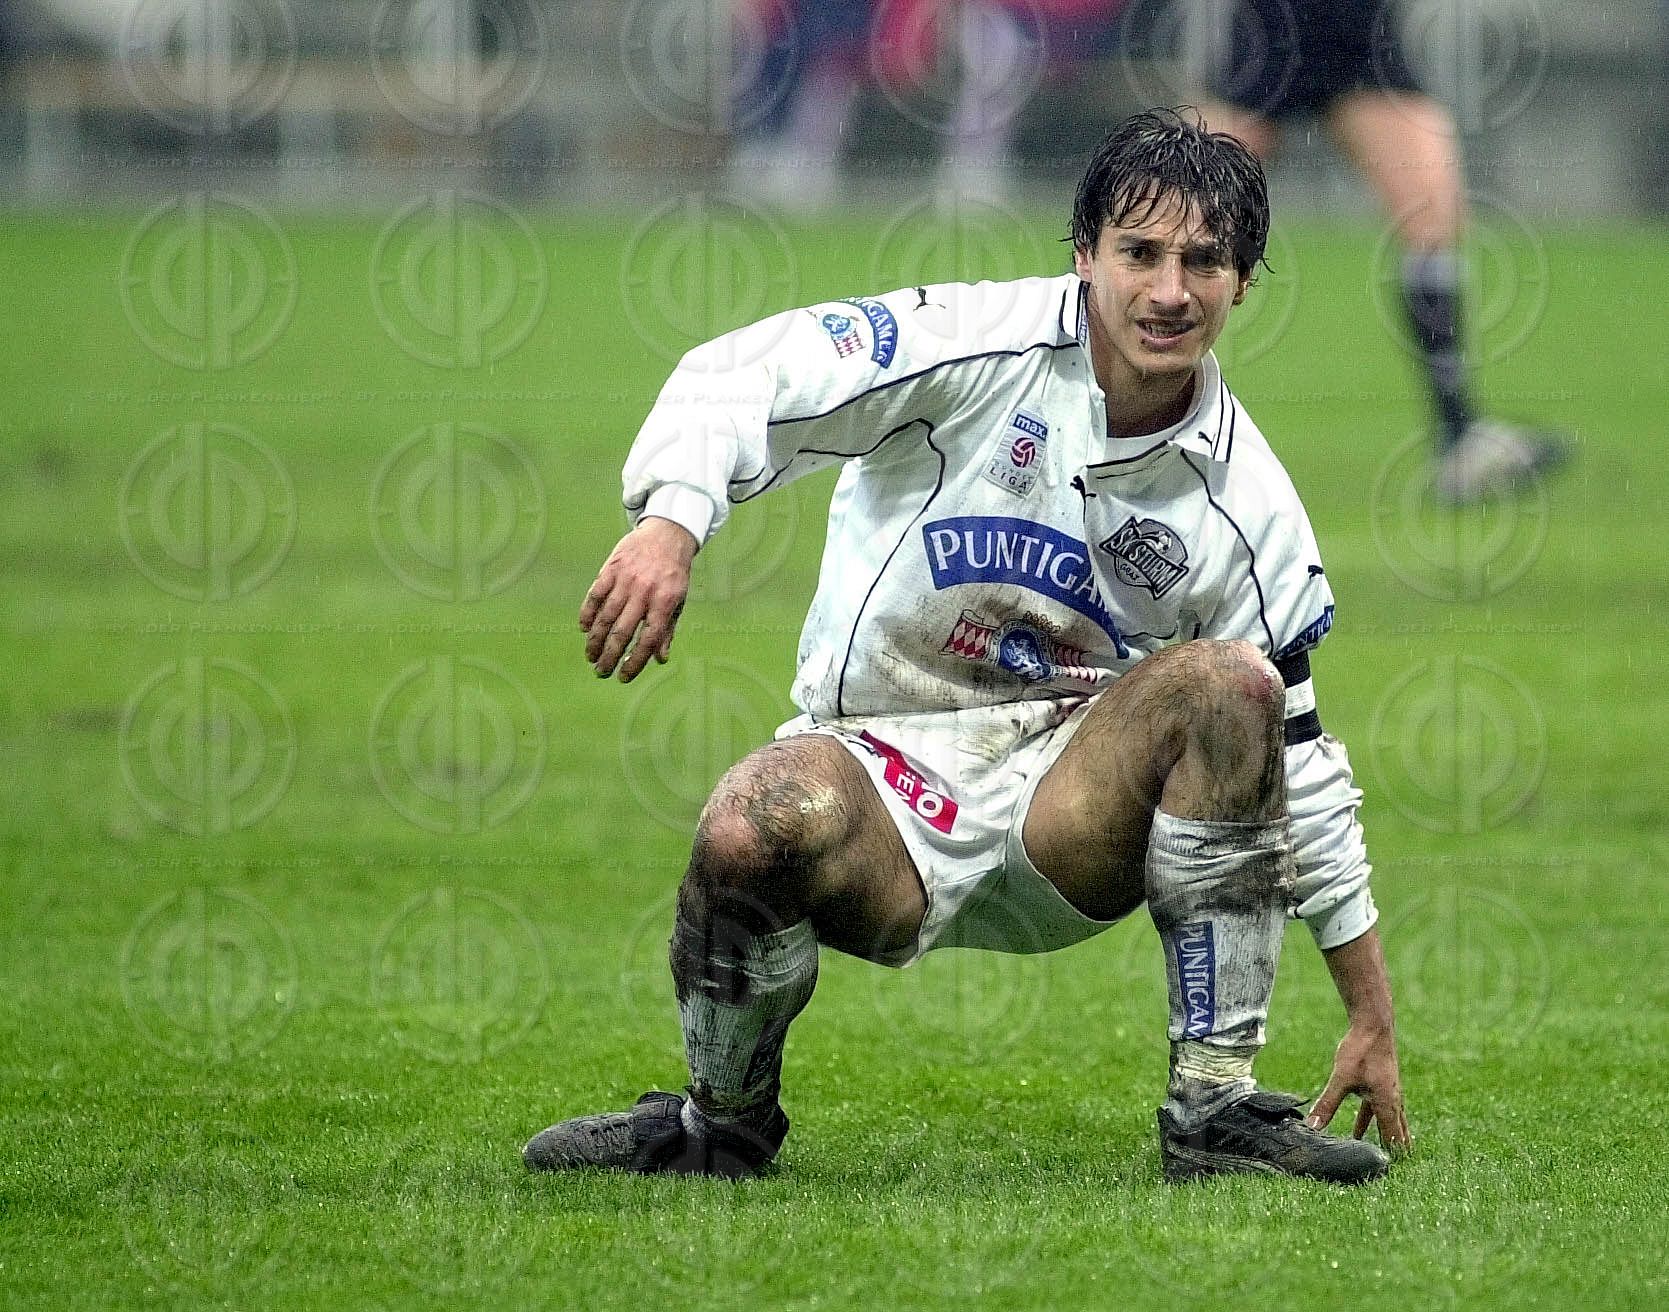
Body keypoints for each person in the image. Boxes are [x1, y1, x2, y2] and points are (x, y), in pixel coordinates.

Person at [528, 109, 1408, 1185]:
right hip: (877, 778)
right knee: (747, 822)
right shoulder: (966, 342)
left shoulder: (1247, 500)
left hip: (1069, 811)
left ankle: (1214, 1112)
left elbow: (1301, 767)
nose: (1169, 291)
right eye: (1138, 253)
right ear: (1083, 255)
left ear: (1244, 283)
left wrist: (1369, 1012)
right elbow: (745, 371)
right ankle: (724, 1122)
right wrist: (672, 519)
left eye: (1203, 262)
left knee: (1234, 685)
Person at [1189, 0, 1569, 504]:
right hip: (1279, 22)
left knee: (1432, 215)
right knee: (1189, 215)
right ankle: (1118, 413)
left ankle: (1460, 439)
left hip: (1359, 30)